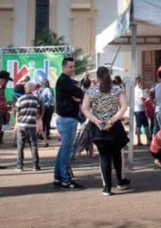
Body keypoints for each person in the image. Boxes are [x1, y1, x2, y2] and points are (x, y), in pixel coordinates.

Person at [82, 66, 130, 196]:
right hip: (114, 127)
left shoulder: (91, 92)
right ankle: (120, 181)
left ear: (97, 77)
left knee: (104, 156)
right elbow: (124, 106)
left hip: (99, 127)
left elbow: (85, 108)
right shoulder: (116, 89)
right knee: (117, 155)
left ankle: (107, 188)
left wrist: (96, 120)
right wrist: (113, 119)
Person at [53, 57, 85, 189]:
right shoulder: (64, 81)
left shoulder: (65, 81)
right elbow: (79, 92)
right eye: (70, 67)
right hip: (67, 119)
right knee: (67, 150)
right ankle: (66, 179)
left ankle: (58, 177)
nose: (73, 69)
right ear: (64, 67)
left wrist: (76, 98)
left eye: (73, 66)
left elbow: (78, 93)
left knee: (63, 150)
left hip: (65, 118)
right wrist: (77, 98)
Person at [15, 81, 43, 171]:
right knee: (33, 144)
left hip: (21, 125)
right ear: (33, 89)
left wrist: (16, 123)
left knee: (20, 145)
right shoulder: (36, 99)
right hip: (32, 125)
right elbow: (39, 112)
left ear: (25, 88)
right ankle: (35, 165)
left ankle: (20, 166)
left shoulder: (20, 99)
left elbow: (17, 112)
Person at [133, 76, 149, 146]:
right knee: (146, 125)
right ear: (138, 82)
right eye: (141, 82)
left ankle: (139, 140)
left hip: (136, 110)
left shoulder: (134, 89)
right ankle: (148, 140)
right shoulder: (139, 90)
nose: (142, 83)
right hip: (140, 110)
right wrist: (145, 109)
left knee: (138, 125)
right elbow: (141, 100)